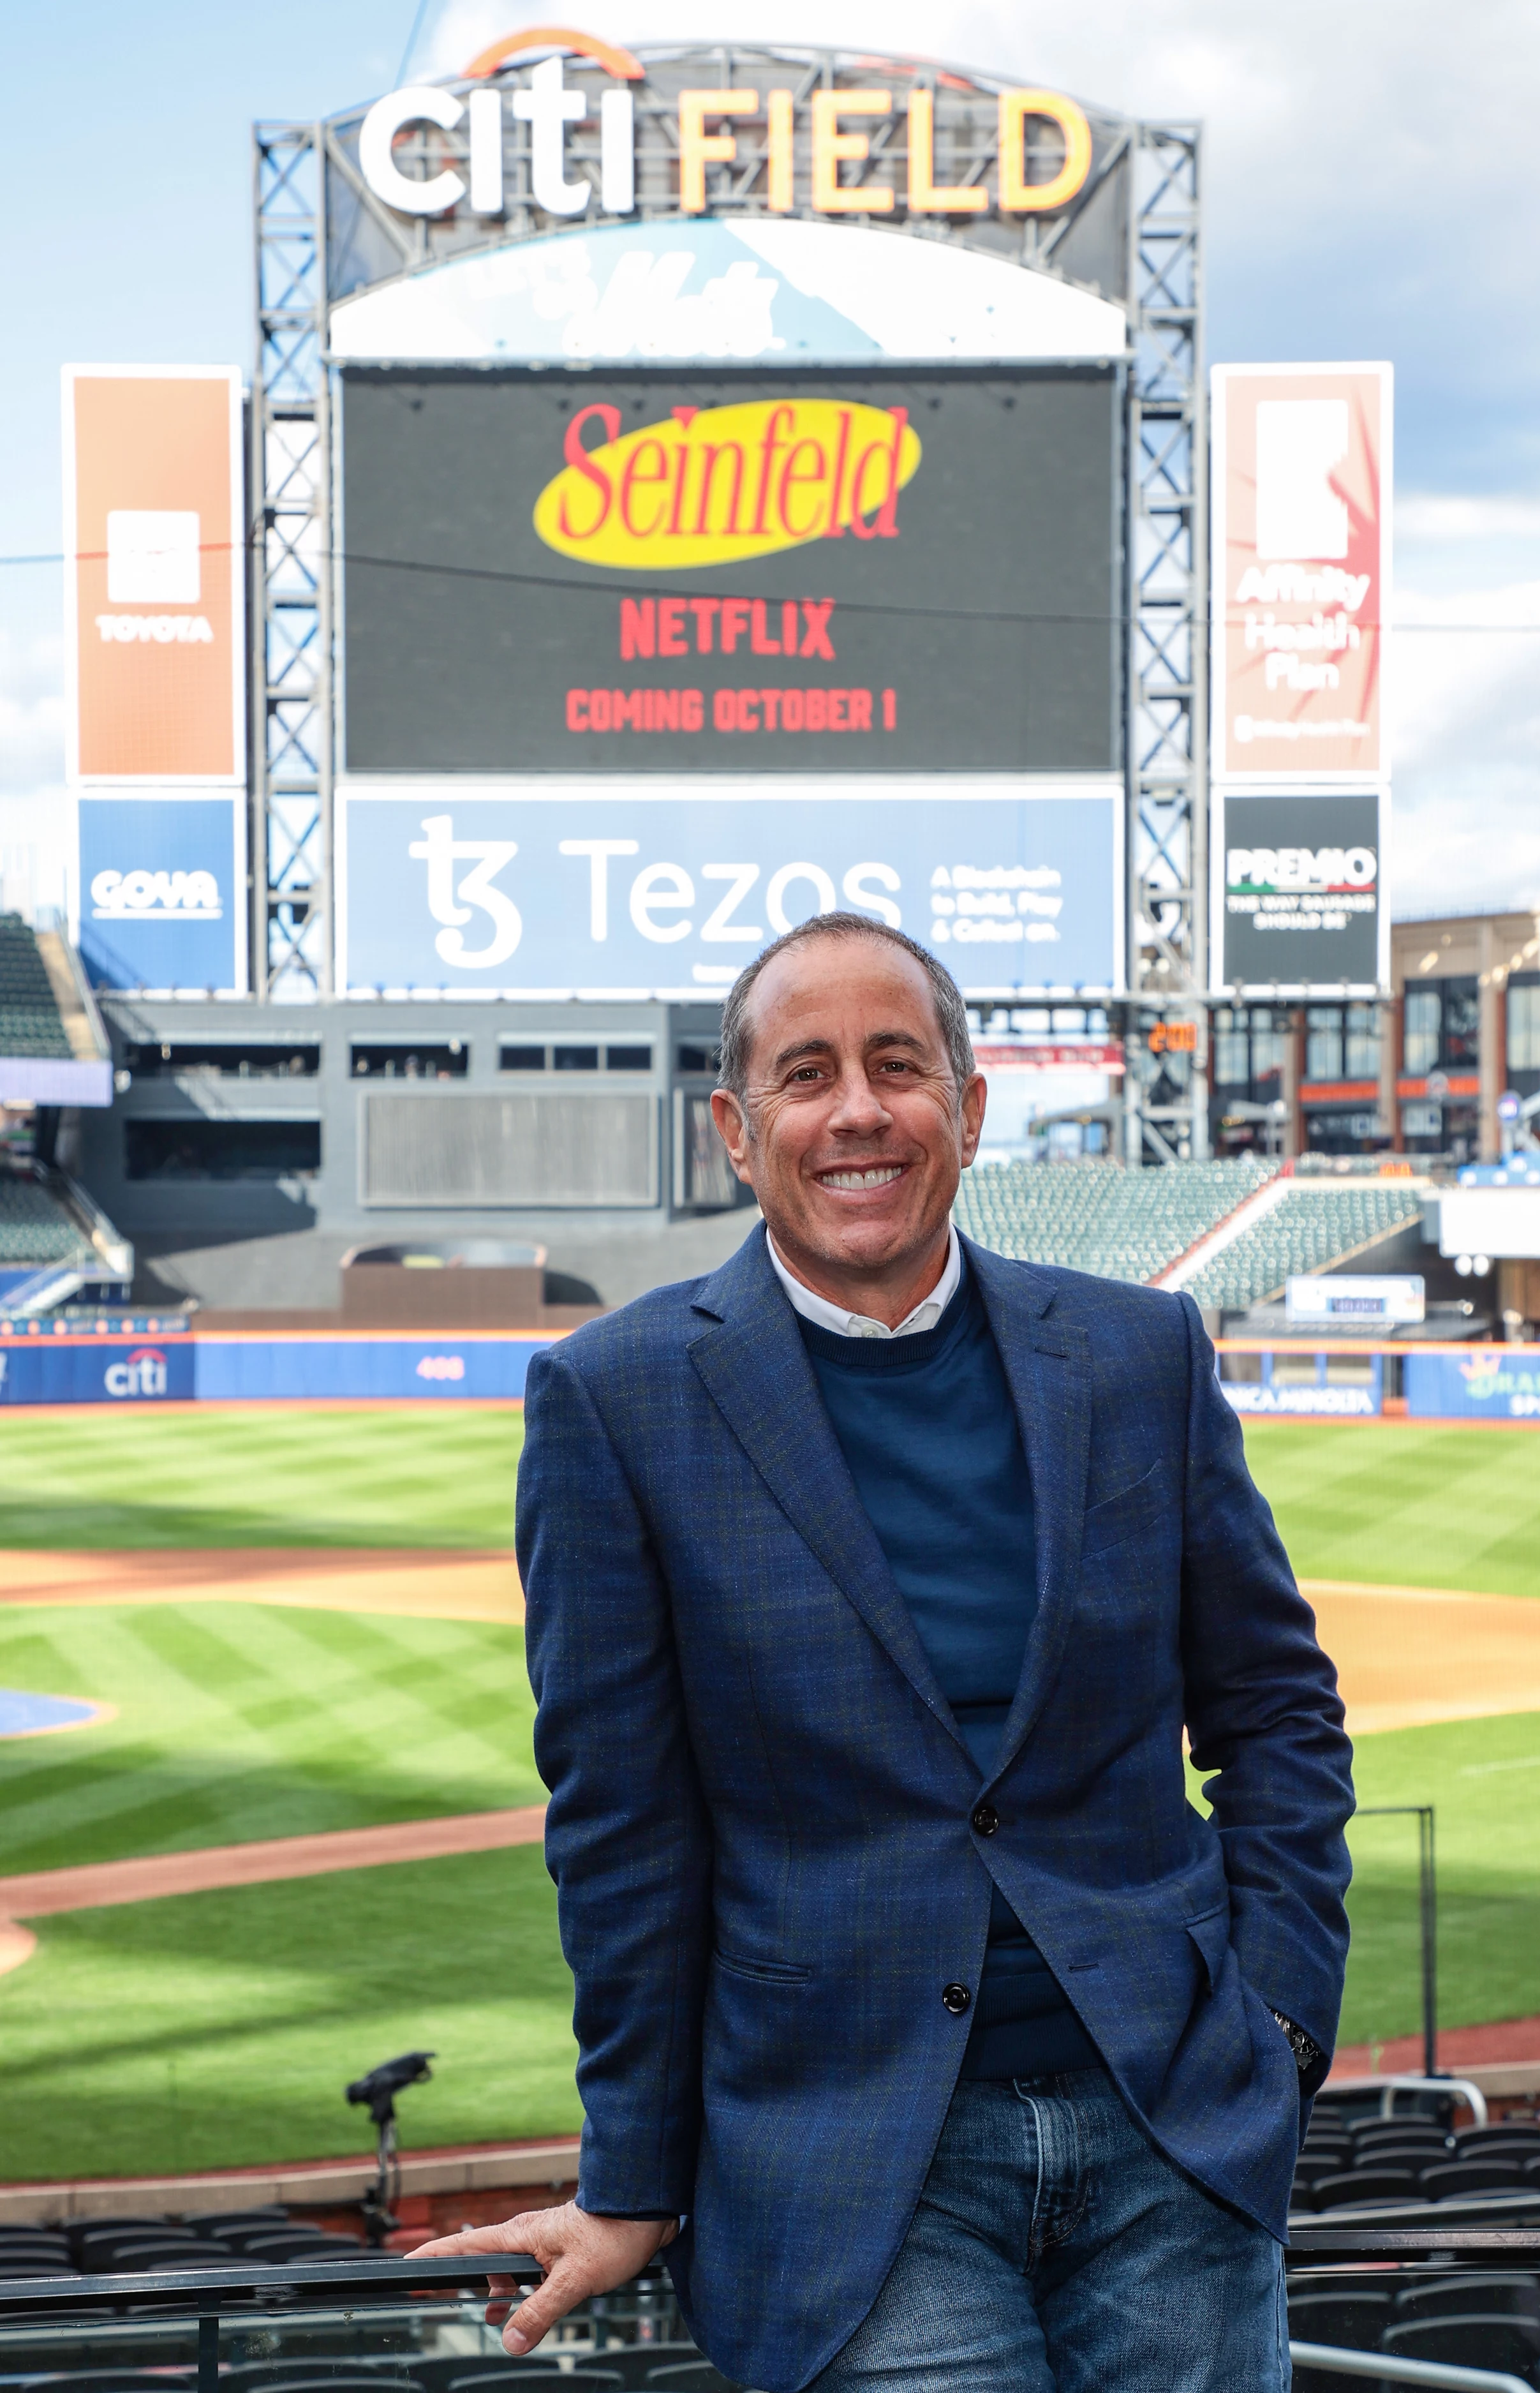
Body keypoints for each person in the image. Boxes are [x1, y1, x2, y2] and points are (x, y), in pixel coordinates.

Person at [414, 917, 1354, 2393]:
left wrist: (1281, 2020)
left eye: (896, 1065)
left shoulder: (1137, 1354)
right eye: (806, 1074)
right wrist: (632, 2174)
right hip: (850, 2163)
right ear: (738, 1130)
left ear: (968, 1110)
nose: (857, 1110)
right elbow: (621, 1826)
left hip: (1168, 2124)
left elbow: (1275, 1709)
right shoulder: (614, 1400)